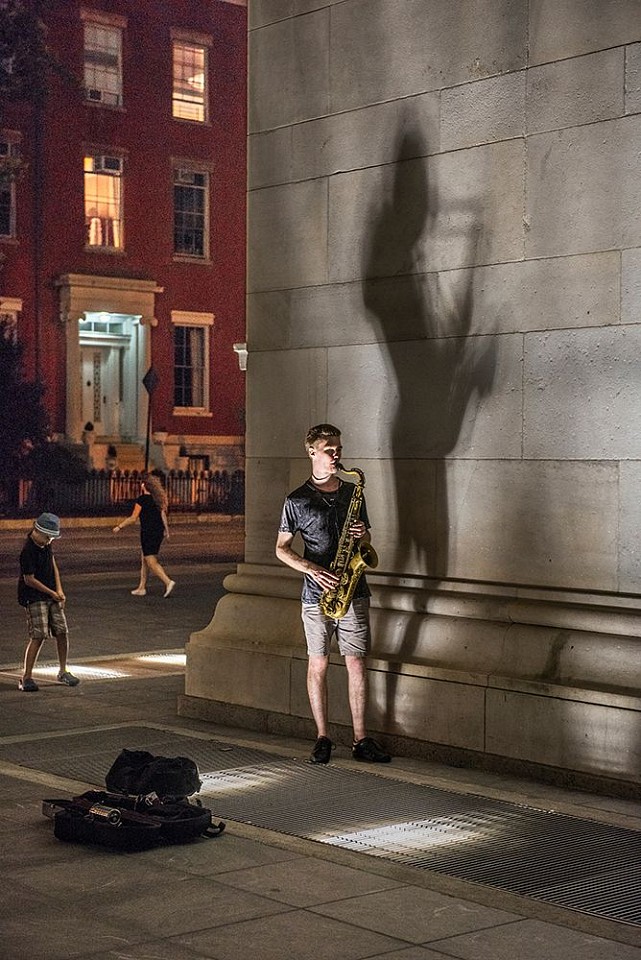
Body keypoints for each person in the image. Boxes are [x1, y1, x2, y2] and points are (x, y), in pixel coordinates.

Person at [276, 423, 390, 765]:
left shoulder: (353, 492)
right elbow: (281, 549)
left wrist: (362, 535)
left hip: (353, 589)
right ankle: (323, 737)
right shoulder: (296, 499)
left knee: (356, 662)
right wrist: (312, 569)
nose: (336, 453)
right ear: (312, 452)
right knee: (319, 663)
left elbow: (366, 540)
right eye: (329, 448)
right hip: (317, 594)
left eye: (338, 447)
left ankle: (360, 739)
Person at [17, 512, 80, 692]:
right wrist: (52, 592)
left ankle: (63, 670)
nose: (49, 541)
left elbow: (53, 565)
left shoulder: (46, 546)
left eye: (52, 537)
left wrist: (59, 590)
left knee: (62, 631)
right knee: (39, 635)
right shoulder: (28, 550)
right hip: (34, 596)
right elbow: (29, 579)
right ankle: (27, 677)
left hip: (51, 594)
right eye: (47, 537)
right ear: (37, 531)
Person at [113, 474, 176, 598]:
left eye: (141, 483)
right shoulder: (157, 499)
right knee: (144, 558)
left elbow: (133, 518)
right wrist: (167, 531)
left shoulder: (142, 499)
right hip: (158, 531)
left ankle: (168, 582)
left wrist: (120, 526)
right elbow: (163, 515)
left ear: (144, 485)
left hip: (148, 532)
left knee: (151, 560)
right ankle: (141, 587)